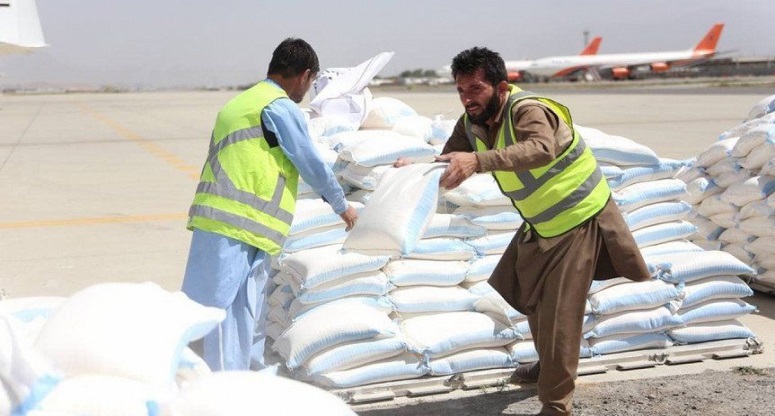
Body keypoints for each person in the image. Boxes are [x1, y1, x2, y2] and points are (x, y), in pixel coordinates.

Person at [398, 47, 651, 415]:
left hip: (579, 217)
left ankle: (556, 404)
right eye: (461, 91)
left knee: (559, 317)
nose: (467, 98)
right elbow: (450, 158)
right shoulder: (471, 122)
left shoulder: (528, 110)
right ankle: (547, 368)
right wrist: (414, 168)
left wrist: (479, 161)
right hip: (542, 223)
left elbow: (541, 148)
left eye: (476, 89)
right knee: (524, 291)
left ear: (501, 86)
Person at [181, 38, 359, 371]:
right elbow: (309, 160)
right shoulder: (277, 106)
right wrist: (342, 205)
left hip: (228, 224)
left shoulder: (242, 102)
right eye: (309, 83)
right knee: (225, 314)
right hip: (235, 224)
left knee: (239, 311)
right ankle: (222, 392)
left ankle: (240, 380)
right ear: (305, 75)